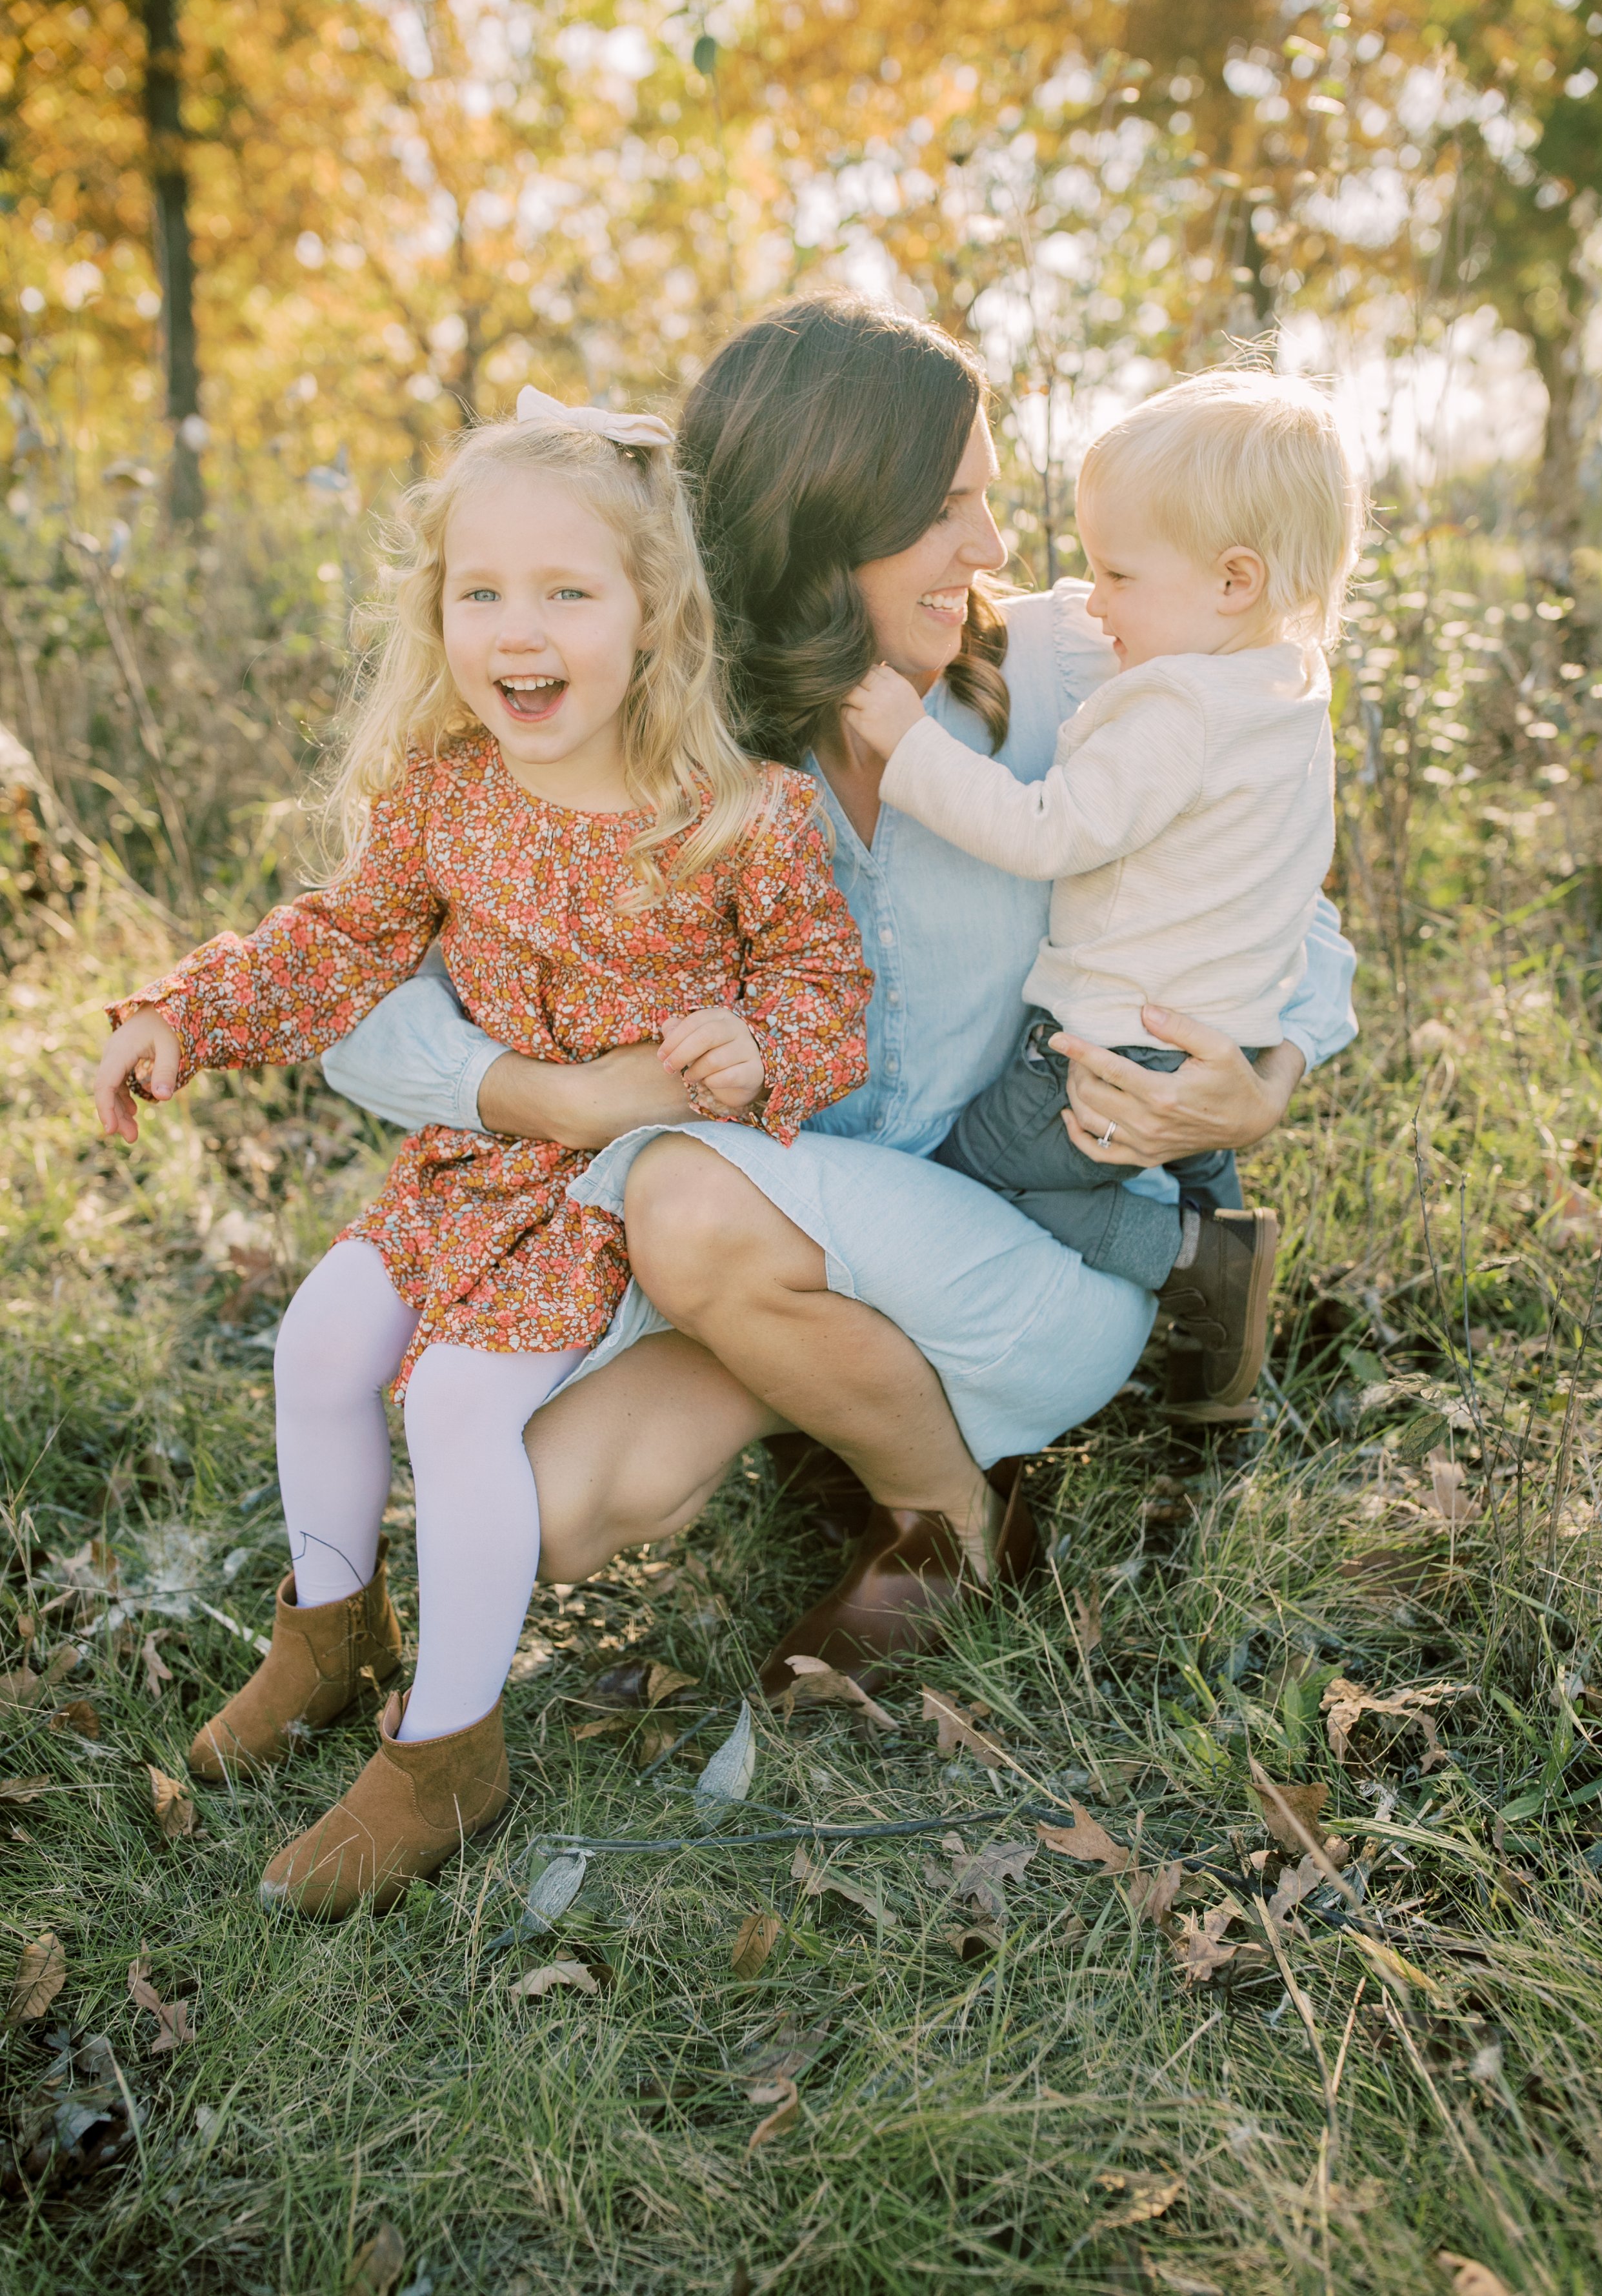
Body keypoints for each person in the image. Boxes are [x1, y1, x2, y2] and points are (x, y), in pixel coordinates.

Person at [323, 297, 1357, 1696]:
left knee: (684, 1197)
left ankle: (946, 1525)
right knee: (549, 1510)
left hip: (1010, 1247)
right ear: (825, 517)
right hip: (772, 1257)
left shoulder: (1075, 668)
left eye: (986, 502)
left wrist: (1265, 1072)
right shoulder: (641, 738)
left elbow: (1281, 898)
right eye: (946, 509)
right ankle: (825, 1392)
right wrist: (545, 1095)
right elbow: (357, 1003)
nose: (991, 549)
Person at [90, 391, 870, 1916]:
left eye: (568, 591)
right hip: (481, 1170)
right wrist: (190, 1011)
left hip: (628, 1195)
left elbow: (822, 990)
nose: (521, 629)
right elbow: (339, 941)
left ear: (651, 617)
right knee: (319, 1343)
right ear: (435, 611)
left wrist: (761, 1045)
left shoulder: (737, 816)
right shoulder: (446, 796)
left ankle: (451, 1750)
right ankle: (331, 1636)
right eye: (482, 592)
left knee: (454, 1401)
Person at [841, 367, 1361, 1420]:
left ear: (1233, 581)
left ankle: (1186, 1265)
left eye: (1116, 573)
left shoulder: (1176, 710)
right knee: (1200, 1163)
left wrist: (908, 747)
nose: (1094, 599)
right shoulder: (1287, 695)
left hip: (1110, 1046)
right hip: (1213, 1026)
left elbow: (1048, 831)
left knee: (980, 1177)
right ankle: (1216, 1367)